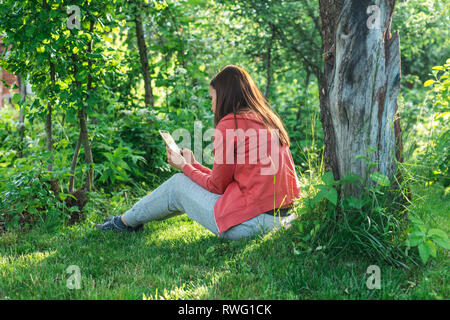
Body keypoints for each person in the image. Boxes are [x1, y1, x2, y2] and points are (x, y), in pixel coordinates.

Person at [94, 65, 302, 241]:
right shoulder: (266, 120)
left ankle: (123, 223)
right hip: (281, 218)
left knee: (177, 184)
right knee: (181, 184)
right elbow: (228, 180)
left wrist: (184, 167)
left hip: (249, 223)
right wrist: (193, 165)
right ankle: (130, 220)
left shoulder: (231, 124)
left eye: (212, 98)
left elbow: (216, 186)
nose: (212, 107)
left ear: (224, 97)